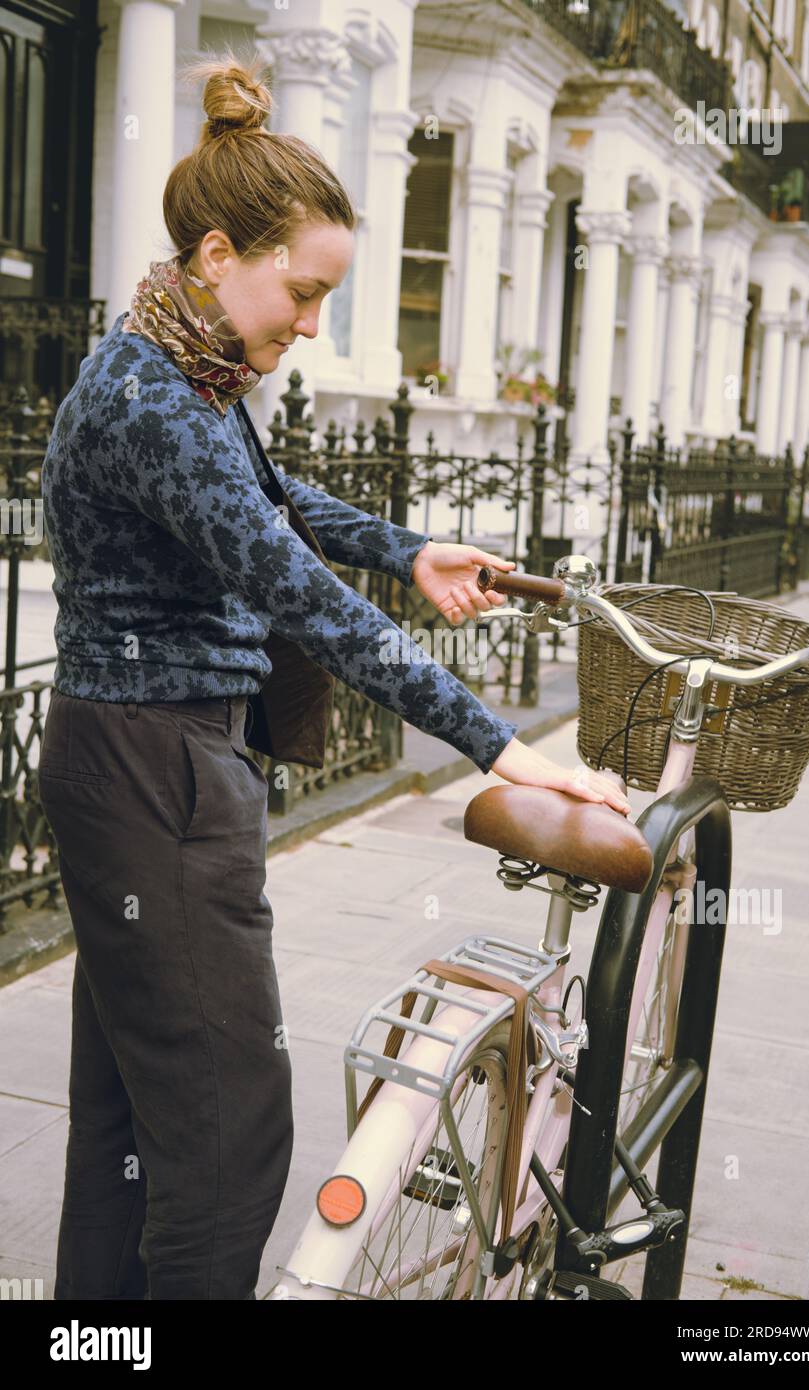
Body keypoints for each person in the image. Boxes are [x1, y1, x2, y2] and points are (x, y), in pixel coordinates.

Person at [37, 49, 630, 1302]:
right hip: (158, 777)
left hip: (131, 762)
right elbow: (297, 593)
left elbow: (267, 498)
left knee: (127, 1129)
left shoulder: (168, 365)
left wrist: (406, 547)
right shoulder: (159, 400)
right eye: (299, 294)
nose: (307, 328)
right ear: (215, 257)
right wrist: (500, 742)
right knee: (226, 1139)